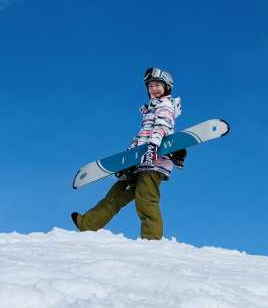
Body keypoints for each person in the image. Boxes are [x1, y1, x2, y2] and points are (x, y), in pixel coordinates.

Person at [71, 67, 184, 240]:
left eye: (158, 85)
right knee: (115, 195)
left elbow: (162, 128)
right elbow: (140, 137)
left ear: (167, 87)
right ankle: (87, 223)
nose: (154, 88)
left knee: (146, 200)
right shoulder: (150, 110)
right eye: (150, 86)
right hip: (139, 163)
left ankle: (152, 240)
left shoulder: (165, 106)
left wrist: (153, 149)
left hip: (154, 164)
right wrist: (127, 160)